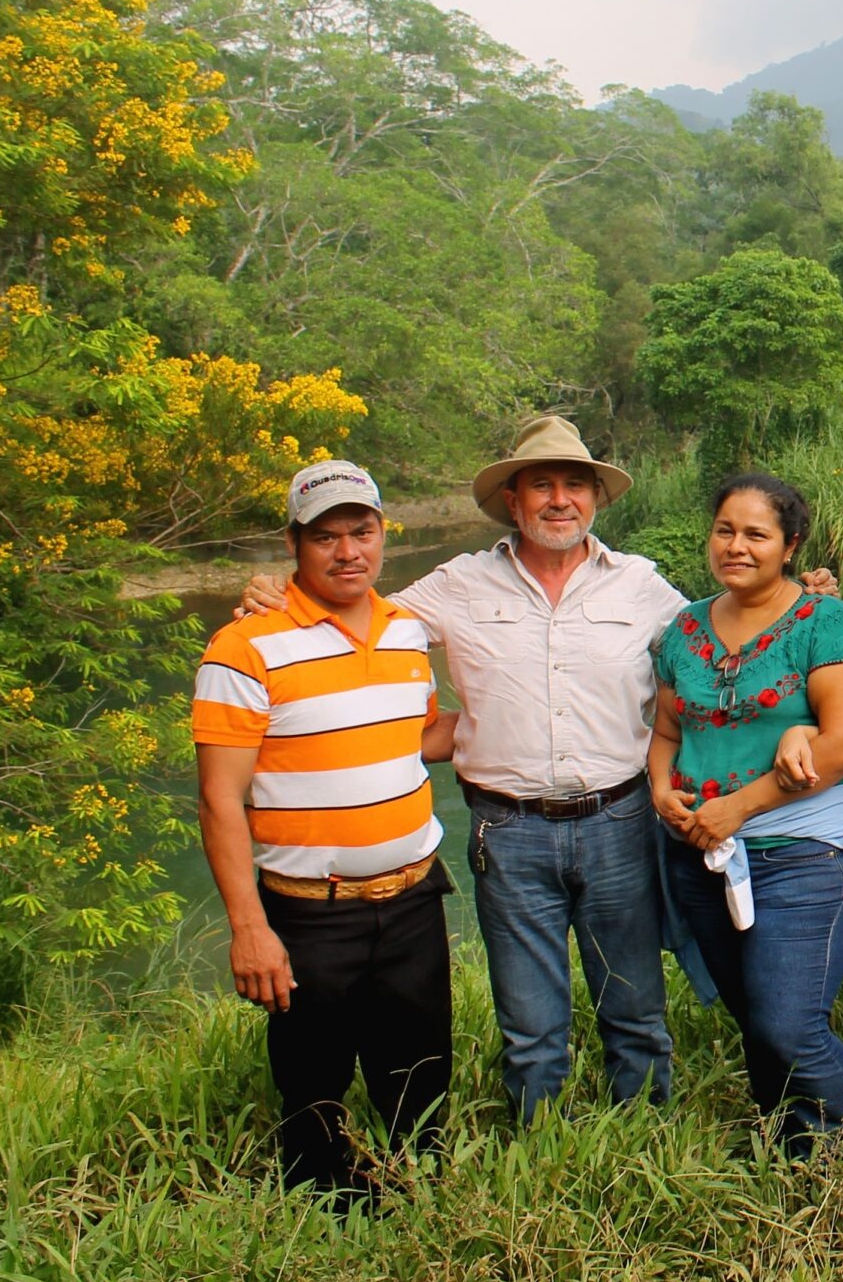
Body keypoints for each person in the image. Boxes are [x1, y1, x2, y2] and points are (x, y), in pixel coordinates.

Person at [242, 415, 687, 1126]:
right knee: (531, 1025)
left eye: (575, 484)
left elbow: (725, 639)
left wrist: (802, 598)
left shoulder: (640, 585)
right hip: (508, 831)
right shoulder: (456, 585)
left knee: (634, 1006)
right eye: (540, 484)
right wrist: (277, 593)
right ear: (512, 500)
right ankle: (543, 1148)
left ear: (596, 498)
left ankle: (646, 1135)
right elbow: (355, 610)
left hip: (620, 822)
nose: (559, 499)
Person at [193, 462, 458, 1198]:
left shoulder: (408, 631)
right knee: (313, 1089)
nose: (348, 551)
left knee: (422, 1076)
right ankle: (324, 1225)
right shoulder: (244, 648)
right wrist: (249, 928)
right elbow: (220, 800)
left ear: (382, 533)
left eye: (361, 531)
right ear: (294, 544)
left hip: (412, 898)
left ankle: (422, 1206)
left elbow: (420, 734)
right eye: (326, 536)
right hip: (310, 908)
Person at [650, 472, 843, 1152]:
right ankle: (794, 1151)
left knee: (789, 1023)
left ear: (789, 545)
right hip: (702, 852)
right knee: (755, 1018)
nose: (737, 545)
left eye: (756, 533)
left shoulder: (822, 622)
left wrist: (737, 807)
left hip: (803, 853)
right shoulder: (687, 626)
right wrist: (661, 787)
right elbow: (667, 731)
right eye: (725, 529)